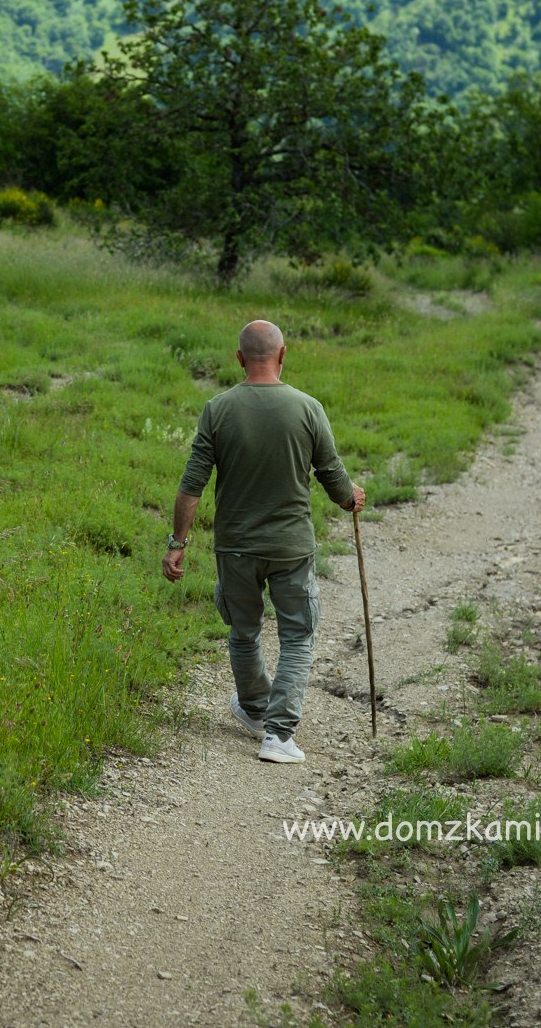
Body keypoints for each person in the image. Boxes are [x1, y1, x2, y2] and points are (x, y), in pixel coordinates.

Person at [162, 320, 364, 764]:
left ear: (239, 358)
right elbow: (332, 475)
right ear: (283, 354)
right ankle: (277, 734)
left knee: (243, 630)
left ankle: (255, 711)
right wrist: (351, 499)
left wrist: (177, 542)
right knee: (297, 636)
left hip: (234, 546)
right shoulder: (308, 408)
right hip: (291, 547)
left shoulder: (218, 409)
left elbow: (192, 484)